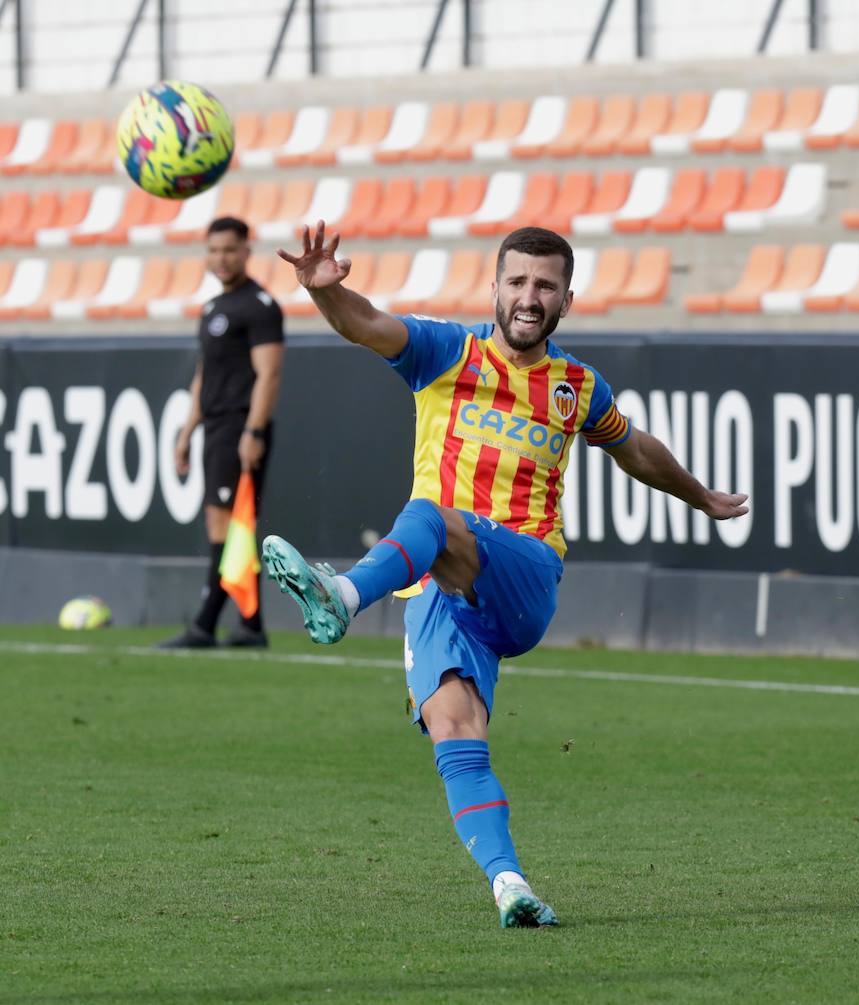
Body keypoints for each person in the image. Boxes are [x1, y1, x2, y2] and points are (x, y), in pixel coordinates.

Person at [260, 224, 747, 928]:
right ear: (493, 288)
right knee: (455, 734)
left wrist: (699, 493)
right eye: (517, 282)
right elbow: (364, 323)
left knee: (429, 514)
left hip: (523, 575)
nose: (529, 297)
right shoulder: (445, 351)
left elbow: (634, 449)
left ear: (566, 300)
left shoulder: (577, 387)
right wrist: (323, 290)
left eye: (545, 285)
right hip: (437, 588)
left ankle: (340, 595)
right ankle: (510, 883)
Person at [159, 216, 285, 649]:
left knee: (227, 522)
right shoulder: (213, 307)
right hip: (214, 427)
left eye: (229, 250)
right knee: (230, 523)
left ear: (246, 251)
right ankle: (250, 624)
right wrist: (187, 431)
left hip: (239, 425)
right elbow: (203, 375)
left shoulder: (259, 306)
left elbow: (268, 375)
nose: (221, 258)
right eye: (214, 250)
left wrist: (253, 430)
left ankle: (206, 622)